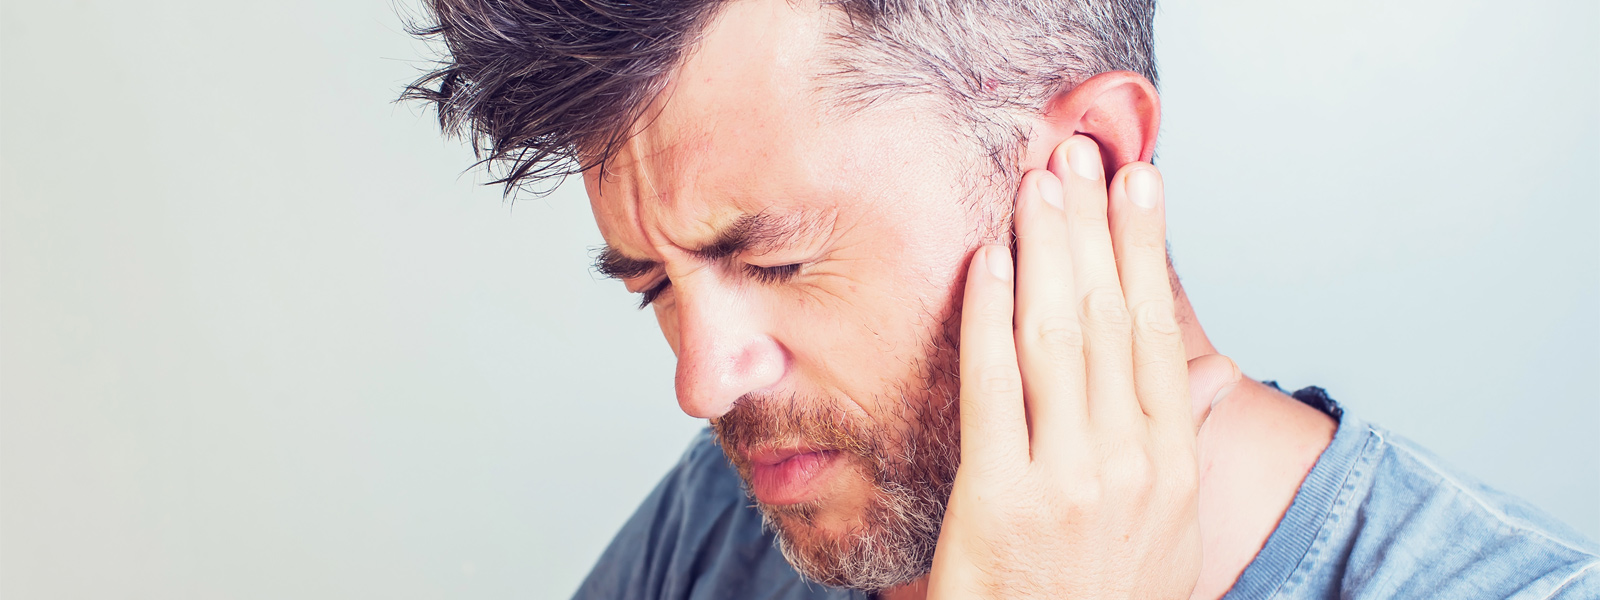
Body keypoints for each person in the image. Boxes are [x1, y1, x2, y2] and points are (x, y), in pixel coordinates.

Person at [403, 0, 1599, 597]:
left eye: (775, 263)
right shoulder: (722, 523)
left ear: (1085, 158)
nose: (700, 381)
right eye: (654, 285)